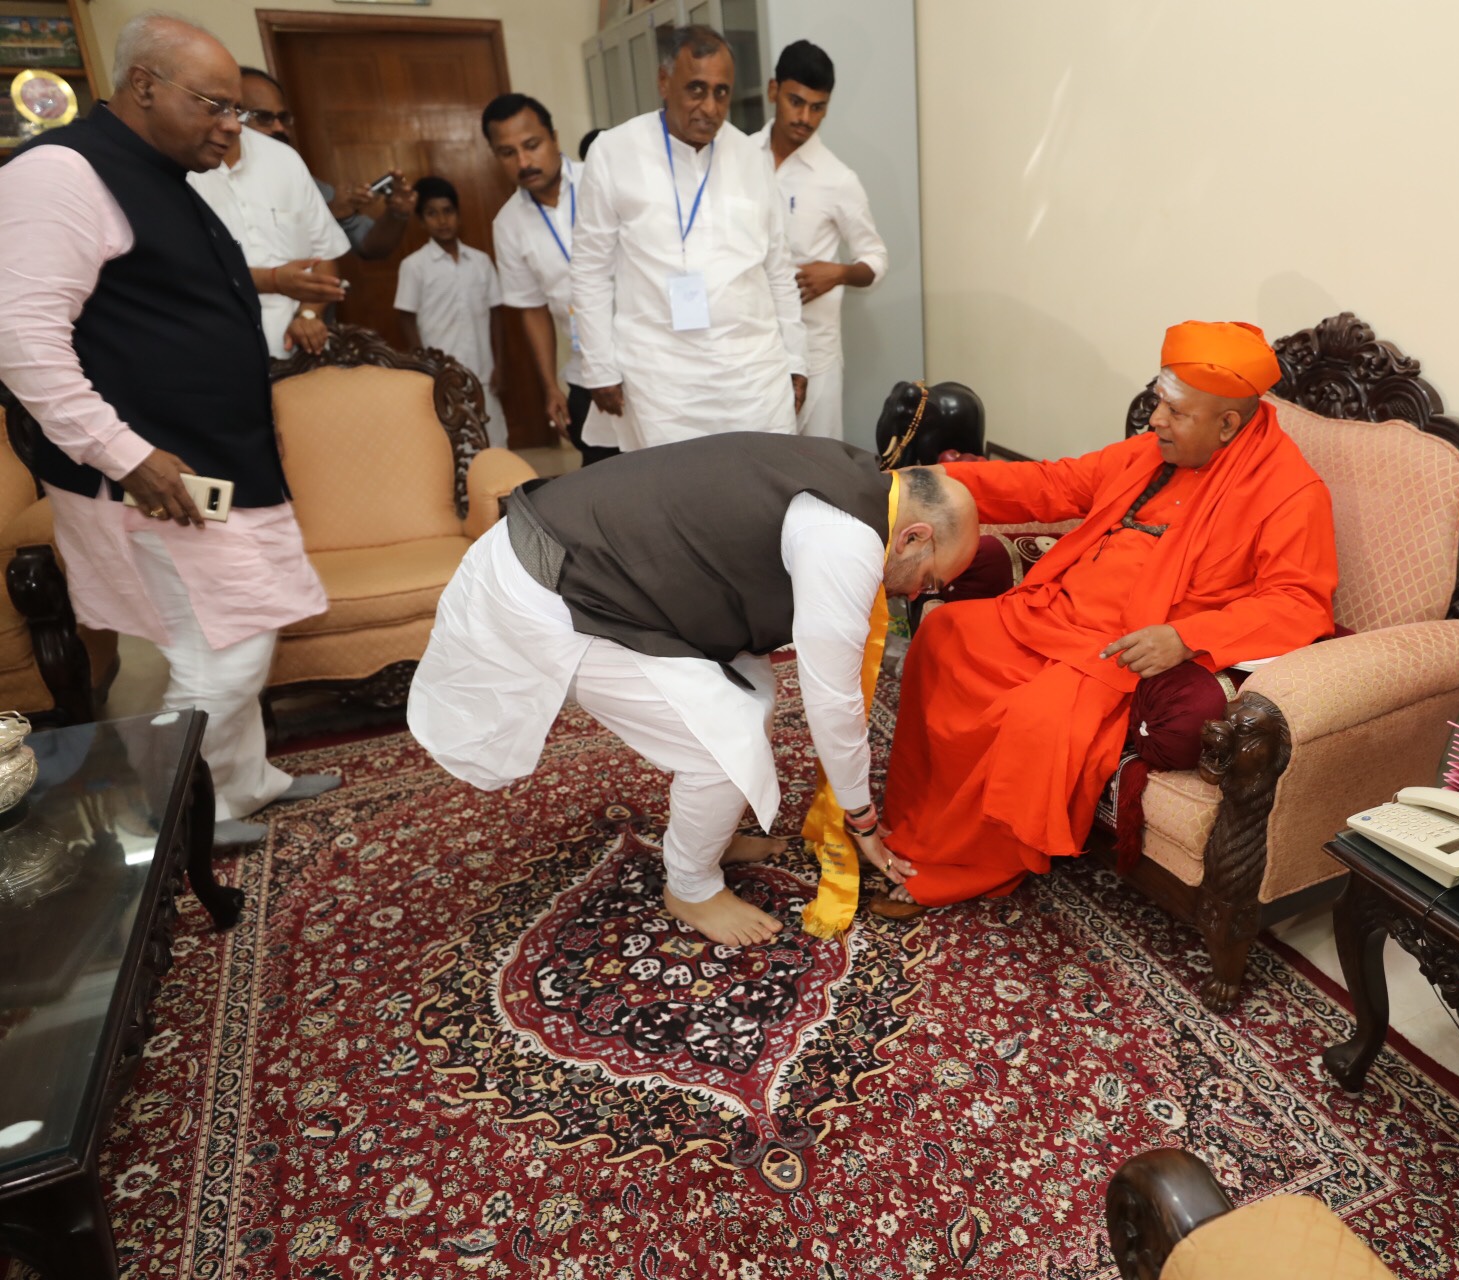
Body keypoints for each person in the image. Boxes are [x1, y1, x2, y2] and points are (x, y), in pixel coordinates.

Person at [408, 435, 979, 944]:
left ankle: (711, 835)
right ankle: (690, 887)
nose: (912, 597)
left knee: (752, 689)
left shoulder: (859, 478)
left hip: (585, 559)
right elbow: (832, 700)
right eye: (928, 580)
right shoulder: (845, 541)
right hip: (552, 590)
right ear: (913, 537)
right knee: (720, 750)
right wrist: (862, 820)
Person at [0, 11, 337, 845]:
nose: (232, 128)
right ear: (143, 86)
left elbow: (167, 290)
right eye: (216, 106)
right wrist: (130, 457)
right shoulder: (61, 172)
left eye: (240, 112)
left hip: (208, 460)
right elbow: (19, 337)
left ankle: (245, 781)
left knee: (238, 629)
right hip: (154, 470)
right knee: (225, 642)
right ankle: (193, 813)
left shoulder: (157, 172)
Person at [877, 321, 1340, 914]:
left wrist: (1184, 636)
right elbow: (1048, 485)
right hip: (1052, 615)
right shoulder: (1152, 454)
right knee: (944, 633)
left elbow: (1299, 603)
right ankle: (915, 828)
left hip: (1119, 651)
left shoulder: (1291, 494)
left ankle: (973, 864)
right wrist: (920, 485)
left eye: (1174, 413)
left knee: (1035, 718)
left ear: (1228, 424)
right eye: (1157, 405)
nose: (1155, 423)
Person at [571, 25, 809, 451]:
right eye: (696, 89)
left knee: (763, 486)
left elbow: (777, 269)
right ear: (664, 83)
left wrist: (796, 359)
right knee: (676, 498)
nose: (710, 107)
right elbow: (589, 270)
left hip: (752, 373)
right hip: (661, 378)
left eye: (721, 92)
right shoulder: (614, 152)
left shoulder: (750, 158)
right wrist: (600, 367)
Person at [756, 40, 887, 442]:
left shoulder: (837, 179)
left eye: (818, 107)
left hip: (817, 357)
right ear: (773, 90)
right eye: (796, 101)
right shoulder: (737, 158)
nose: (805, 118)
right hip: (752, 350)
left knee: (818, 473)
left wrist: (840, 272)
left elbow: (876, 257)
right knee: (755, 467)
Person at [483, 93, 614, 465]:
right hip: (585, 373)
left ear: (554, 138)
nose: (524, 162)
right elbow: (532, 309)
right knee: (603, 484)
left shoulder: (601, 181)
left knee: (666, 474)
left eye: (532, 145)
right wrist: (549, 386)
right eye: (508, 153)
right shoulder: (507, 224)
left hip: (646, 358)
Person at [187, 104, 349, 357]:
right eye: (263, 116)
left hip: (299, 352)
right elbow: (183, 273)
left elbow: (325, 253)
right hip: (217, 350)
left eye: (238, 111)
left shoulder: (284, 158)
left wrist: (308, 315)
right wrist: (273, 280)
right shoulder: (179, 162)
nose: (277, 126)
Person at [237, 67, 415, 261]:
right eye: (264, 117)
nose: (279, 128)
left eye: (283, 118)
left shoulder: (303, 180)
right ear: (233, 116)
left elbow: (370, 247)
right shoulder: (210, 179)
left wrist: (397, 214)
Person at [394, 176, 507, 445]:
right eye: (432, 214)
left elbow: (497, 318)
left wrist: (500, 365)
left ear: (458, 214)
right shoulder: (414, 266)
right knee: (453, 447)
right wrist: (424, 368)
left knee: (495, 441)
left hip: (483, 371)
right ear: (421, 220)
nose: (442, 221)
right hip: (441, 377)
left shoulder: (480, 262)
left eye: (448, 212)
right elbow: (406, 319)